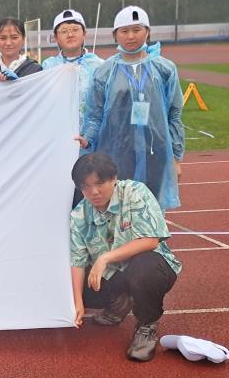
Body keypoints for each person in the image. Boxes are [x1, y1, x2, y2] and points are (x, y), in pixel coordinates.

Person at [69, 152, 181, 362]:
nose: (93, 192)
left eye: (99, 183)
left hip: (149, 265)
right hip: (113, 275)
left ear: (114, 178)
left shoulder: (135, 192)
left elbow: (150, 240)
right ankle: (119, 301)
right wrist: (77, 302)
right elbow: (77, 261)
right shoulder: (79, 215)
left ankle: (146, 325)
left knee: (144, 269)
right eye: (85, 186)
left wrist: (104, 258)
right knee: (69, 282)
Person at [78, 6, 184, 210]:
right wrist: (88, 139)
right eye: (124, 31)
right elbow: (95, 114)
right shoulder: (105, 72)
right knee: (118, 205)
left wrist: (175, 157)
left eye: (137, 30)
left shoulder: (164, 69)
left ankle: (153, 232)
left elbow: (174, 113)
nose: (131, 36)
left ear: (147, 32)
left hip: (155, 149)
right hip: (117, 151)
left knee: (152, 206)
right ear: (115, 35)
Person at [42, 9, 104, 130]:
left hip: (91, 138)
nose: (70, 35)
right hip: (57, 135)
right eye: (64, 31)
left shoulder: (99, 66)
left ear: (84, 33)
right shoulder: (48, 66)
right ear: (56, 37)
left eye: (75, 30)